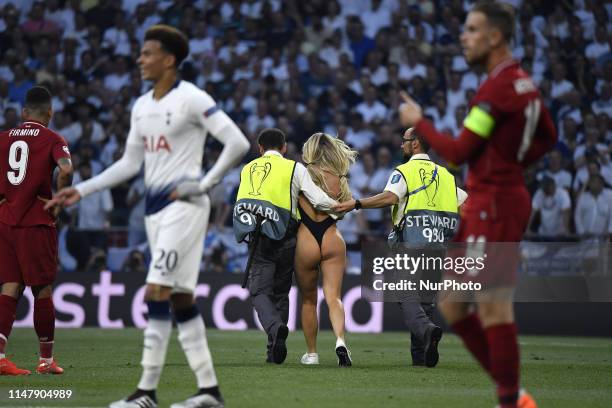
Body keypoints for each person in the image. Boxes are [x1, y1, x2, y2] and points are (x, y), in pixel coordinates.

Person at [47, 25, 249, 408]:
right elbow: (129, 163)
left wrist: (204, 183)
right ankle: (209, 392)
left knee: (155, 290)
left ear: (169, 59)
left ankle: (146, 392)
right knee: (180, 298)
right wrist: (83, 189)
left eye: (148, 53)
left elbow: (237, 142)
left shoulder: (192, 98)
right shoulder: (141, 106)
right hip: (155, 210)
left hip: (184, 207)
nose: (140, 59)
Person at [397, 3, 556, 407]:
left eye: (471, 29)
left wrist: (421, 119)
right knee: (452, 302)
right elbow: (547, 137)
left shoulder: (495, 89)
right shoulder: (522, 84)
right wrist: (509, 160)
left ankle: (511, 398)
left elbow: (456, 152)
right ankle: (513, 393)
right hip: (492, 199)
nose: (463, 37)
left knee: (494, 308)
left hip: (496, 204)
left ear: (495, 36)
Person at [334, 127, 467, 367]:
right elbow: (467, 205)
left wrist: (357, 203)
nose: (401, 145)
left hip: (410, 243)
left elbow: (390, 197)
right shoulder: (446, 176)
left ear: (415, 143)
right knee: (425, 301)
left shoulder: (404, 171)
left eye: (404, 141)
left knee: (404, 293)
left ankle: (427, 331)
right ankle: (422, 357)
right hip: (438, 246)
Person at [233, 128, 339, 365]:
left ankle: (275, 328)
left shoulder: (247, 168)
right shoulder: (295, 168)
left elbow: (243, 204)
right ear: (284, 148)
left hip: (259, 239)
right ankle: (274, 349)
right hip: (288, 238)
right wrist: (342, 206)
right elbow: (318, 199)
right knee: (281, 293)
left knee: (259, 291)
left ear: (260, 149)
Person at [0, 86, 73, 375]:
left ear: (23, 112)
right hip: (36, 221)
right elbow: (65, 169)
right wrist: (59, 199)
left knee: (9, 286)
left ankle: (1, 358)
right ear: (50, 113)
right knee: (41, 288)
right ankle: (46, 360)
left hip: (5, 221)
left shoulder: (4, 138)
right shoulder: (54, 139)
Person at [294, 132, 357, 366]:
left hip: (306, 238)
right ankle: (341, 341)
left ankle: (312, 354)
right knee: (334, 298)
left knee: (309, 300)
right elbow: (344, 209)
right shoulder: (339, 176)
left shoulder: (302, 173)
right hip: (332, 237)